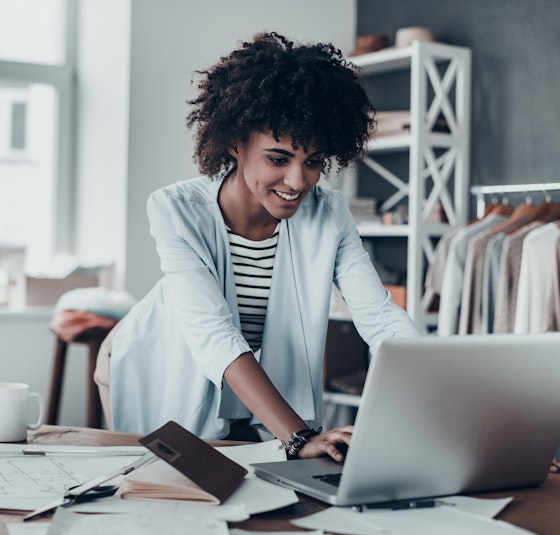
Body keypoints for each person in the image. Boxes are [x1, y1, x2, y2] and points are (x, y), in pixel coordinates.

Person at [94, 32, 419, 462]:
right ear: (236, 144)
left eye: (314, 161)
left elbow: (379, 318)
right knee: (167, 493)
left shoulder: (329, 214)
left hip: (241, 369)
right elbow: (215, 335)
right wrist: (299, 437)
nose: (299, 182)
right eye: (278, 159)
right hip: (153, 357)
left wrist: (441, 402)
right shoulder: (175, 210)